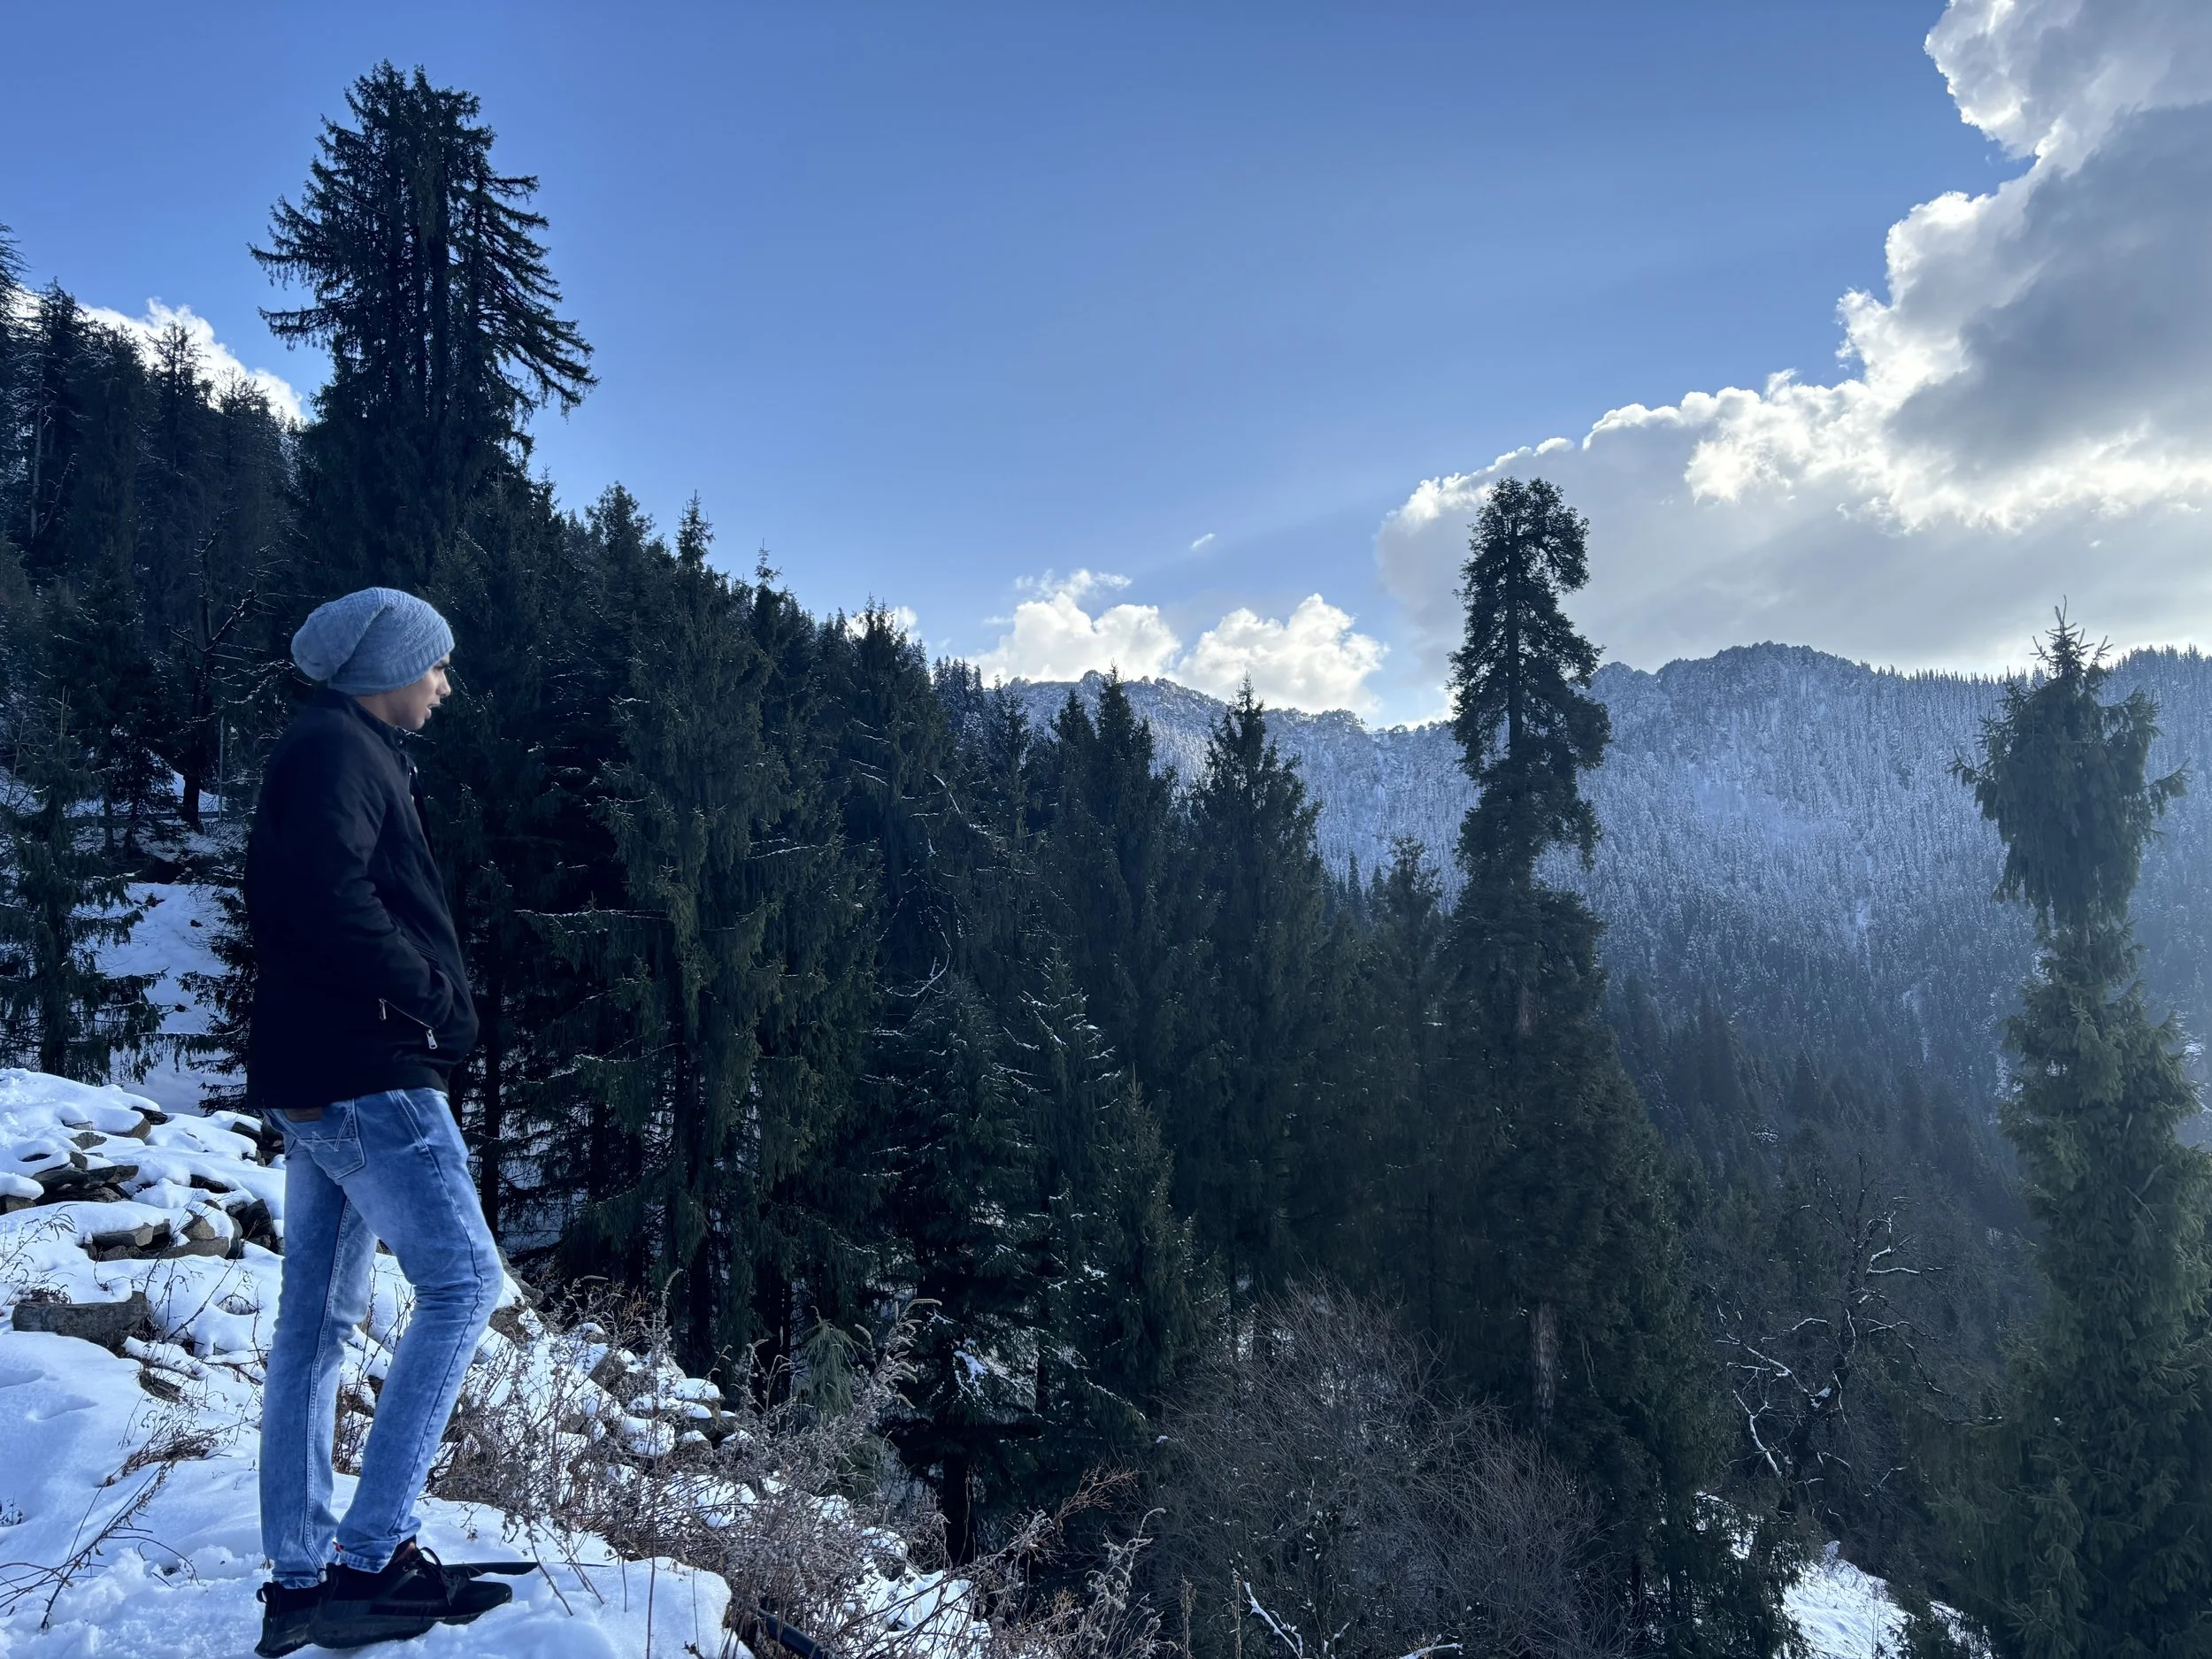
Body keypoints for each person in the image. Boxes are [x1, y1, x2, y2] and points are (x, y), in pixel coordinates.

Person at [246, 588, 514, 1656]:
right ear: (386, 671)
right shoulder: (339, 752)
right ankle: (374, 1560)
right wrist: (430, 998)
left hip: (317, 1076)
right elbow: (327, 899)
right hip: (370, 1072)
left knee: (314, 1327)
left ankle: (303, 1581)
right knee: (462, 1284)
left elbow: (301, 897)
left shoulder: (324, 747)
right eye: (434, 665)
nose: (444, 684)